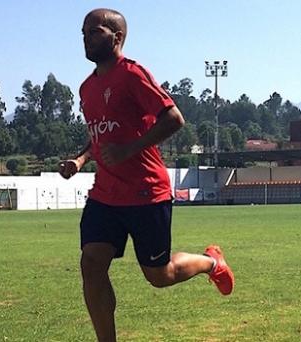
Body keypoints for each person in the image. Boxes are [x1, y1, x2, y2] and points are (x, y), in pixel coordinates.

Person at [58, 8, 234, 341]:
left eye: (94, 31)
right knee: (91, 265)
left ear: (117, 37)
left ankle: (211, 262)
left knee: (159, 275)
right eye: (83, 32)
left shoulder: (133, 75)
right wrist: (80, 160)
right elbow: (99, 135)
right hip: (105, 195)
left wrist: (129, 149)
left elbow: (173, 118)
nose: (86, 38)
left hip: (145, 192)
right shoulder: (86, 88)